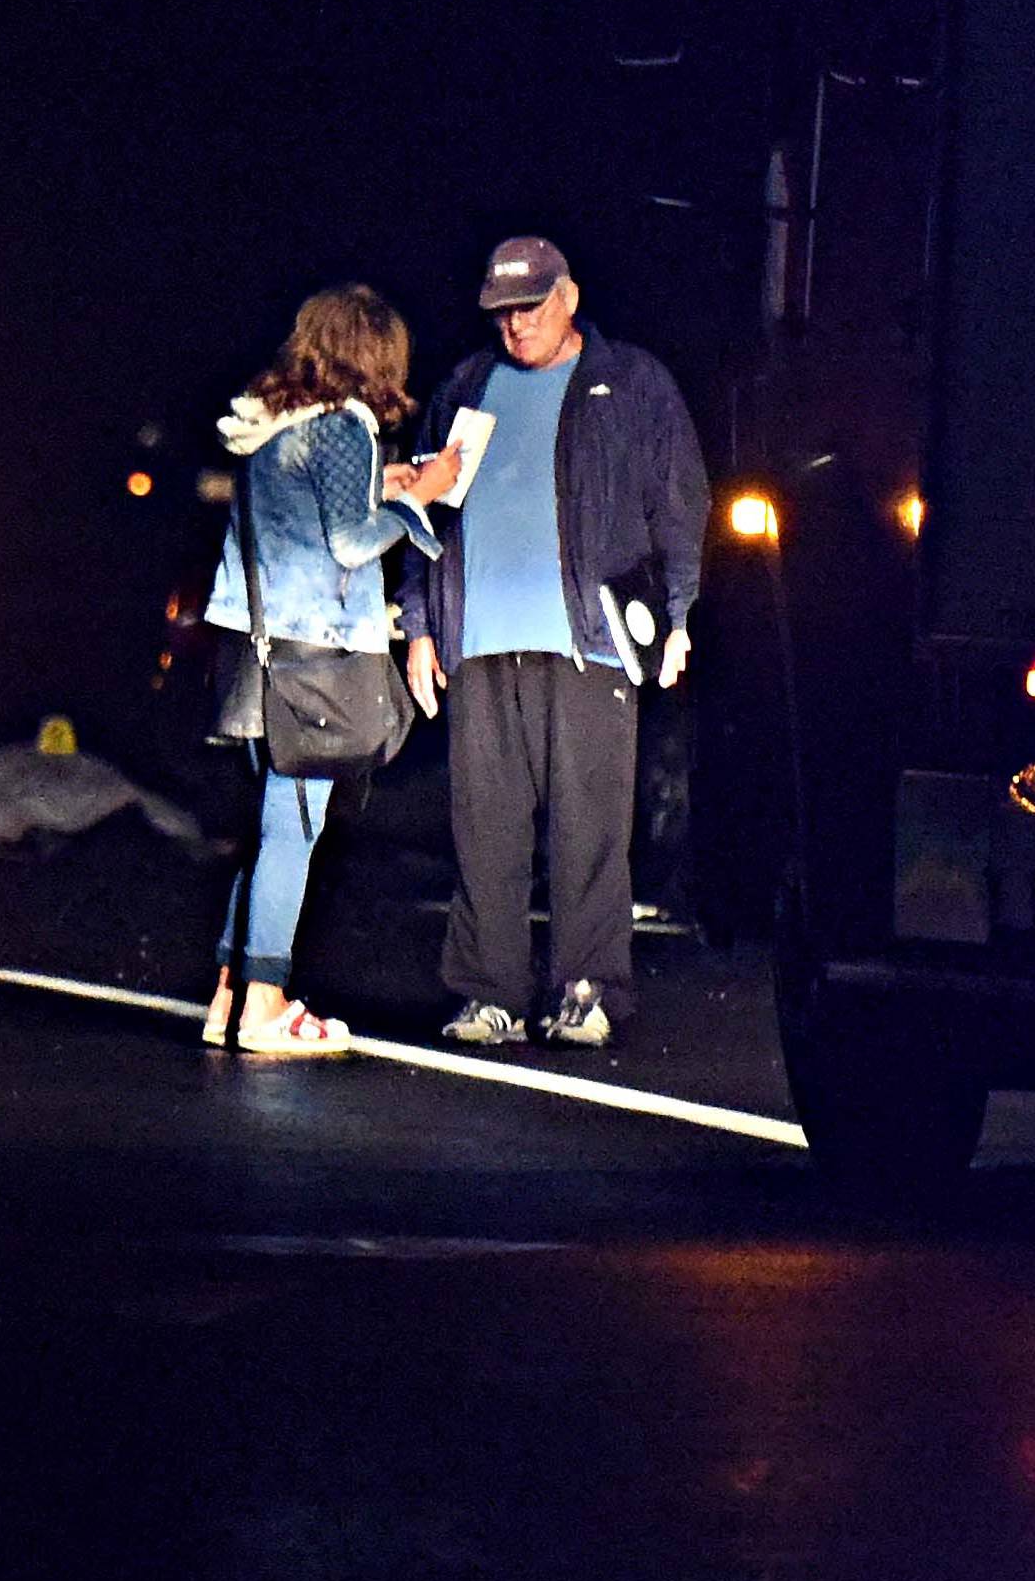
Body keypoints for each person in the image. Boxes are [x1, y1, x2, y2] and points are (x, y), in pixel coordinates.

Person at [400, 236, 709, 1049]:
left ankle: (587, 985)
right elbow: (422, 520)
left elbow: (680, 506)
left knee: (590, 827)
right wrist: (421, 628)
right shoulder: (467, 387)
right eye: (502, 312)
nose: (515, 326)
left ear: (568, 296)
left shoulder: (631, 382)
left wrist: (678, 618)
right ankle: (489, 992)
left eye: (530, 308)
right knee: (484, 824)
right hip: (482, 644)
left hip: (593, 642)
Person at [201, 285, 462, 1055]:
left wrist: (390, 483)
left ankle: (228, 995)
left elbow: (308, 503)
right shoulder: (345, 425)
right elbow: (350, 543)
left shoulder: (275, 422)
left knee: (268, 827)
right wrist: (425, 501)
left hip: (253, 648)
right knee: (296, 826)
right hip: (314, 650)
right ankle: (265, 1005)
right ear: (376, 355)